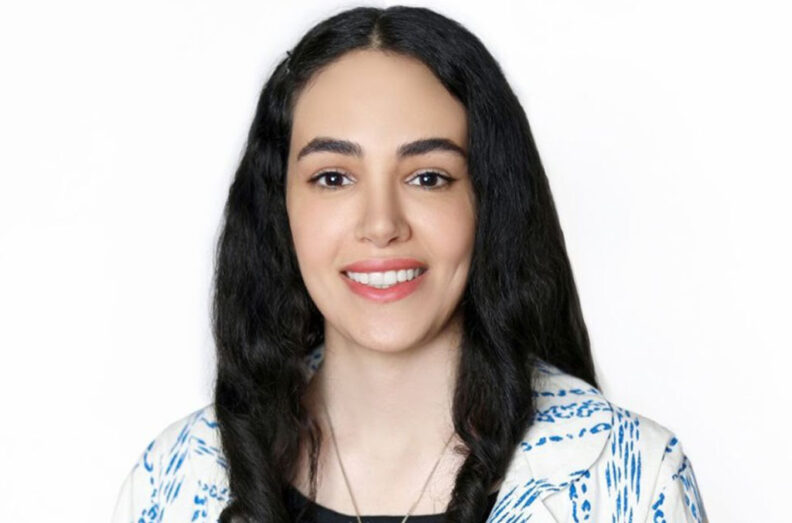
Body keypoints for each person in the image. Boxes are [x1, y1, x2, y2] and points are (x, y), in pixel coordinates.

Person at [112, 5, 706, 522]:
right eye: (333, 177)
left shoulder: (632, 478)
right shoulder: (173, 481)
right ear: (279, 205)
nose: (381, 224)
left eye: (428, 177)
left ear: (489, 200)